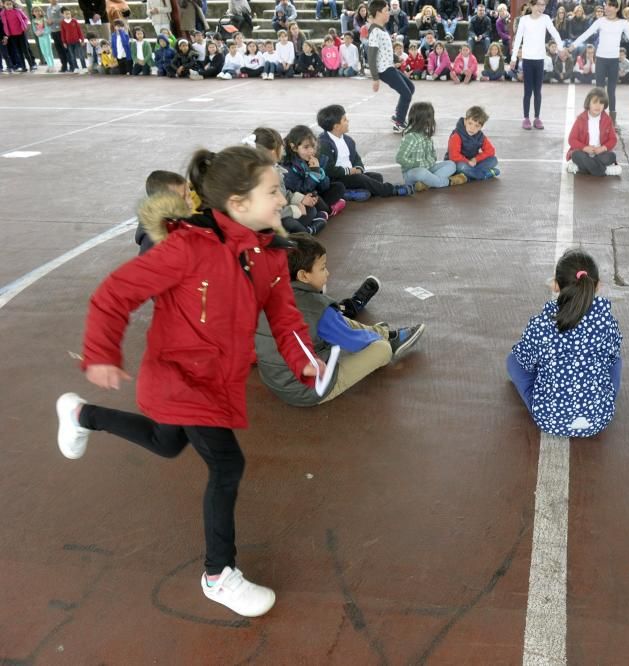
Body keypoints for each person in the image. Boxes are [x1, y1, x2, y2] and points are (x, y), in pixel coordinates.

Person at [55, 146, 322, 618]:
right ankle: (219, 574)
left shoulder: (270, 256)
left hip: (218, 380)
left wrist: (305, 360)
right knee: (226, 466)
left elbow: (284, 317)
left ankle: (82, 414)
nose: (282, 199)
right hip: (177, 376)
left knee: (166, 442)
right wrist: (100, 354)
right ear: (238, 203)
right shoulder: (188, 247)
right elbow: (115, 294)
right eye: (273, 190)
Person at [255, 233, 425, 406]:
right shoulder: (316, 307)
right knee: (381, 349)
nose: (327, 273)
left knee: (334, 319)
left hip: (275, 381)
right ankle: (388, 341)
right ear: (303, 276)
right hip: (308, 391)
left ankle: (381, 332)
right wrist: (376, 341)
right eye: (322, 268)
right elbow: (354, 343)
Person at [508, 249, 622, 438]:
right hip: (599, 418)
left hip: (549, 419)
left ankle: (551, 386)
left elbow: (523, 360)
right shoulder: (607, 322)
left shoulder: (541, 324)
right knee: (615, 361)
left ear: (555, 285)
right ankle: (599, 398)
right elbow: (612, 357)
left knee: (513, 360)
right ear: (598, 286)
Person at [317, 104, 414, 198]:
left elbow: (356, 159)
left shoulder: (347, 140)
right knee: (362, 179)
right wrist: (349, 171)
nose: (348, 121)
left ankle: (349, 193)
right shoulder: (324, 144)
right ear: (336, 126)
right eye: (345, 120)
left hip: (350, 175)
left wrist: (359, 168)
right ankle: (392, 190)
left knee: (377, 177)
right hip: (335, 179)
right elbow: (328, 169)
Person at [569, 0, 629, 121]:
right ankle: (599, 116)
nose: (607, 8)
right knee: (599, 89)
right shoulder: (600, 21)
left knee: (611, 90)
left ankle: (612, 118)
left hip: (614, 61)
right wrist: (572, 45)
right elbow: (586, 34)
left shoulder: (623, 23)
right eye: (607, 5)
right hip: (601, 60)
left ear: (616, 8)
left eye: (610, 6)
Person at [248, 127, 329, 236]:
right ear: (273, 152)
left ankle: (301, 230)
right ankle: (307, 232)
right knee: (290, 223)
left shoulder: (274, 168)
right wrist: (293, 210)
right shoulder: (263, 175)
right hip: (268, 221)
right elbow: (266, 211)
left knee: (311, 209)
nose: (284, 149)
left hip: (281, 211)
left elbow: (283, 194)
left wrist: (301, 199)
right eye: (282, 146)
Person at [509, 0, 562, 130]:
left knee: (537, 91)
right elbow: (518, 39)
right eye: (538, 4)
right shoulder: (524, 20)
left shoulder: (546, 19)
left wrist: (560, 48)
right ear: (532, 5)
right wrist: (513, 57)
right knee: (528, 91)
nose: (541, 7)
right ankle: (526, 118)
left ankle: (537, 117)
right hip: (527, 59)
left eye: (543, 5)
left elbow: (555, 33)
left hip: (539, 60)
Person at [369, 0, 415, 134]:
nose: (389, 13)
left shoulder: (383, 30)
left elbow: (386, 50)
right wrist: (375, 78)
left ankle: (398, 116)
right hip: (384, 70)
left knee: (410, 88)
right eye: (386, 10)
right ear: (378, 13)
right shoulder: (375, 32)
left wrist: (396, 58)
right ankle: (399, 123)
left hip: (390, 66)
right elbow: (372, 56)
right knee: (406, 94)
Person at [395, 101, 465, 190]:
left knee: (451, 165)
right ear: (425, 119)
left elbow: (433, 156)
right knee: (422, 173)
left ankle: (425, 184)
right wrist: (419, 164)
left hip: (429, 168)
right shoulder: (410, 137)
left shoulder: (427, 136)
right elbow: (400, 158)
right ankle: (448, 182)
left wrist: (428, 163)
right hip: (413, 173)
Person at [283, 125, 348, 217]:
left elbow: (324, 187)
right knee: (315, 197)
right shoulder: (288, 166)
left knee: (339, 186)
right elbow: (302, 190)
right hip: (302, 197)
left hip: (315, 193)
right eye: (306, 147)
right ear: (294, 148)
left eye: (313, 146)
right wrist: (314, 173)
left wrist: (320, 173)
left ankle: (326, 209)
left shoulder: (315, 159)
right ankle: (329, 210)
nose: (311, 151)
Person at [566, 87, 621, 176]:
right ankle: (603, 171)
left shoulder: (607, 119)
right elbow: (571, 139)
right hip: (585, 152)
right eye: (595, 102)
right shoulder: (581, 119)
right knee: (575, 155)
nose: (598, 106)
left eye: (601, 103)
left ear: (604, 105)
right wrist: (585, 148)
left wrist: (602, 148)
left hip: (600, 153)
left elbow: (613, 139)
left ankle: (581, 168)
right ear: (588, 103)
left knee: (612, 156)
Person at [448, 105, 500, 181]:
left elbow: (491, 151)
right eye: (470, 123)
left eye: (477, 126)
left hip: (473, 162)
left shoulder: (480, 136)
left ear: (481, 127)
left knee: (494, 160)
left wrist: (476, 159)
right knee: (461, 167)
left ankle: (468, 176)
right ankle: (483, 175)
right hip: (459, 162)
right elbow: (454, 156)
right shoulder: (457, 135)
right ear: (465, 121)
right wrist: (468, 162)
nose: (472, 128)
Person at [30, 5, 56, 72]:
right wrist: (37, 33)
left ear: (41, 12)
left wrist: (43, 32)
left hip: (46, 37)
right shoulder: (33, 21)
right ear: (33, 13)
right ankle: (49, 65)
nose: (37, 12)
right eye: (36, 11)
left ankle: (52, 66)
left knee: (49, 51)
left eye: (39, 11)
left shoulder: (44, 19)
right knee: (44, 52)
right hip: (40, 38)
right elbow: (34, 29)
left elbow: (48, 29)